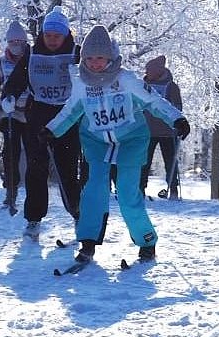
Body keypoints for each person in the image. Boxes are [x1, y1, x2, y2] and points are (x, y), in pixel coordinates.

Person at [44, 26, 189, 263]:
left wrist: (176, 118)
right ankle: (88, 241)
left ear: (110, 57)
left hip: (130, 140)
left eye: (100, 58)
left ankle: (146, 241)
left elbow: (154, 101)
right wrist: (51, 130)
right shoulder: (81, 83)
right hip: (97, 142)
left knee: (127, 192)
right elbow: (70, 111)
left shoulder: (126, 79)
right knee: (94, 190)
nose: (94, 63)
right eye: (89, 58)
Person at [0, 6, 82, 238]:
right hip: (38, 115)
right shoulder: (32, 53)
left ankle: (77, 214)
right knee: (36, 168)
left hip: (68, 116)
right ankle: (34, 219)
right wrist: (9, 96)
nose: (52, 40)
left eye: (57, 36)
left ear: (66, 34)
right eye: (48, 35)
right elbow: (18, 78)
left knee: (67, 169)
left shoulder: (76, 53)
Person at [0, 20, 30, 213]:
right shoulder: (1, 63)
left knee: (31, 154)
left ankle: (33, 191)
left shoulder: (32, 60)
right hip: (8, 115)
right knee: (10, 154)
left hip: (29, 114)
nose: (15, 45)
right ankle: (10, 193)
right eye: (12, 41)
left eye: (19, 41)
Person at [140, 55, 184, 199]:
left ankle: (173, 190)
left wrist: (176, 123)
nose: (147, 73)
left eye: (149, 70)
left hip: (167, 132)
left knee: (170, 162)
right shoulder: (143, 84)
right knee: (143, 162)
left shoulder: (170, 86)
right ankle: (140, 189)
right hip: (147, 131)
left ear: (158, 71)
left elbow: (177, 107)